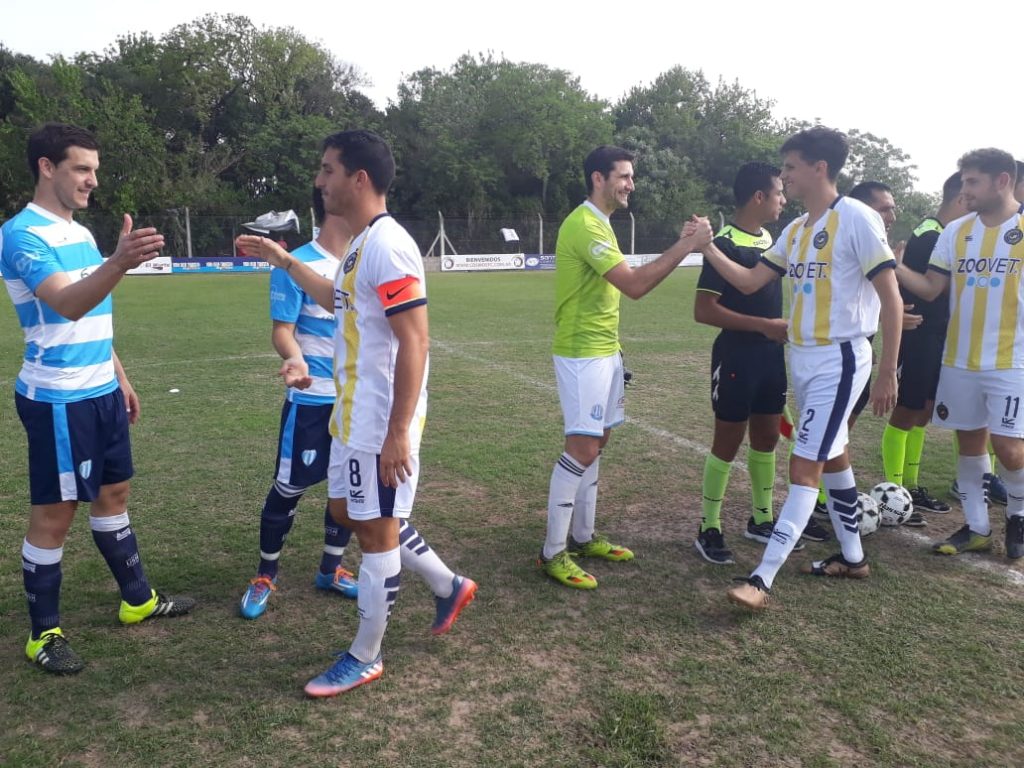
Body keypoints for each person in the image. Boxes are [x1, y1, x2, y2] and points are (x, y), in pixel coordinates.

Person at [237, 129, 476, 697]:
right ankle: (448, 585)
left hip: (378, 420)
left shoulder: (389, 246)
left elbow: (415, 340)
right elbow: (335, 300)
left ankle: (365, 655)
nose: (319, 181)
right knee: (348, 512)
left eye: (328, 170)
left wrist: (397, 434)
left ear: (358, 178)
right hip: (350, 415)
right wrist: (283, 260)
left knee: (376, 533)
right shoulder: (360, 244)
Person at [0, 123, 195, 674]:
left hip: (101, 390)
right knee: (55, 516)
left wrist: (120, 377)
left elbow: (92, 319)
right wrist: (118, 262)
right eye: (82, 169)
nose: (92, 180)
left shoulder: (81, 234)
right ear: (47, 167)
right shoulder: (20, 235)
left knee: (114, 495)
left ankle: (137, 600)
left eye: (94, 170)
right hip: (59, 399)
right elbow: (65, 304)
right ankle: (43, 634)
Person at [696, 127, 901, 609]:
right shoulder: (796, 230)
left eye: (790, 167)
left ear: (819, 168)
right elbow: (750, 281)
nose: (784, 177)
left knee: (804, 463)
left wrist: (888, 369)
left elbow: (890, 298)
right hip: (804, 358)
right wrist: (706, 248)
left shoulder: (857, 218)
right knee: (833, 455)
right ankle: (853, 557)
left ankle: (762, 579)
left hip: (840, 358)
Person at [538, 145, 713, 588]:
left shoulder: (601, 222)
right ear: (598, 178)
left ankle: (583, 537)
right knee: (581, 448)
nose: (631, 185)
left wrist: (685, 243)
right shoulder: (584, 224)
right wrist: (688, 245)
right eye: (623, 176)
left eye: (631, 177)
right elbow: (634, 285)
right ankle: (553, 553)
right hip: (582, 352)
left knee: (598, 442)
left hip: (605, 350)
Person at [692, 162, 829, 565]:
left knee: (768, 437)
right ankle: (709, 526)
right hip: (737, 354)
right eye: (778, 193)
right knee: (728, 440)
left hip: (771, 356)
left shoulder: (774, 240)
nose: (783, 199)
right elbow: (704, 310)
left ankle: (761, 518)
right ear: (758, 197)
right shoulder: (724, 244)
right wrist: (763, 325)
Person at [892, 148, 1024, 559]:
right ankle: (977, 528)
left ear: (1002, 181)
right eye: (963, 181)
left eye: (972, 182)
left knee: (1009, 447)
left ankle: (1018, 515)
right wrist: (894, 265)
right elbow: (932, 288)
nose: (964, 190)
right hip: (959, 359)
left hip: (1012, 360)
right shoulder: (956, 231)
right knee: (970, 443)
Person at [238, 188, 360, 620]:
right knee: (289, 487)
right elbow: (282, 329)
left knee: (345, 488)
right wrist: (295, 358)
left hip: (355, 401)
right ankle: (265, 574)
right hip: (311, 398)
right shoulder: (294, 263)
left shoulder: (364, 261)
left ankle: (331, 568)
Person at [880, 173, 966, 518]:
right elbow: (927, 287)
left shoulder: (946, 233)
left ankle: (910, 487)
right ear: (961, 199)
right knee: (907, 410)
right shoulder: (930, 234)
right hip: (918, 334)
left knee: (924, 410)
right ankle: (894, 493)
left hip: (937, 335)